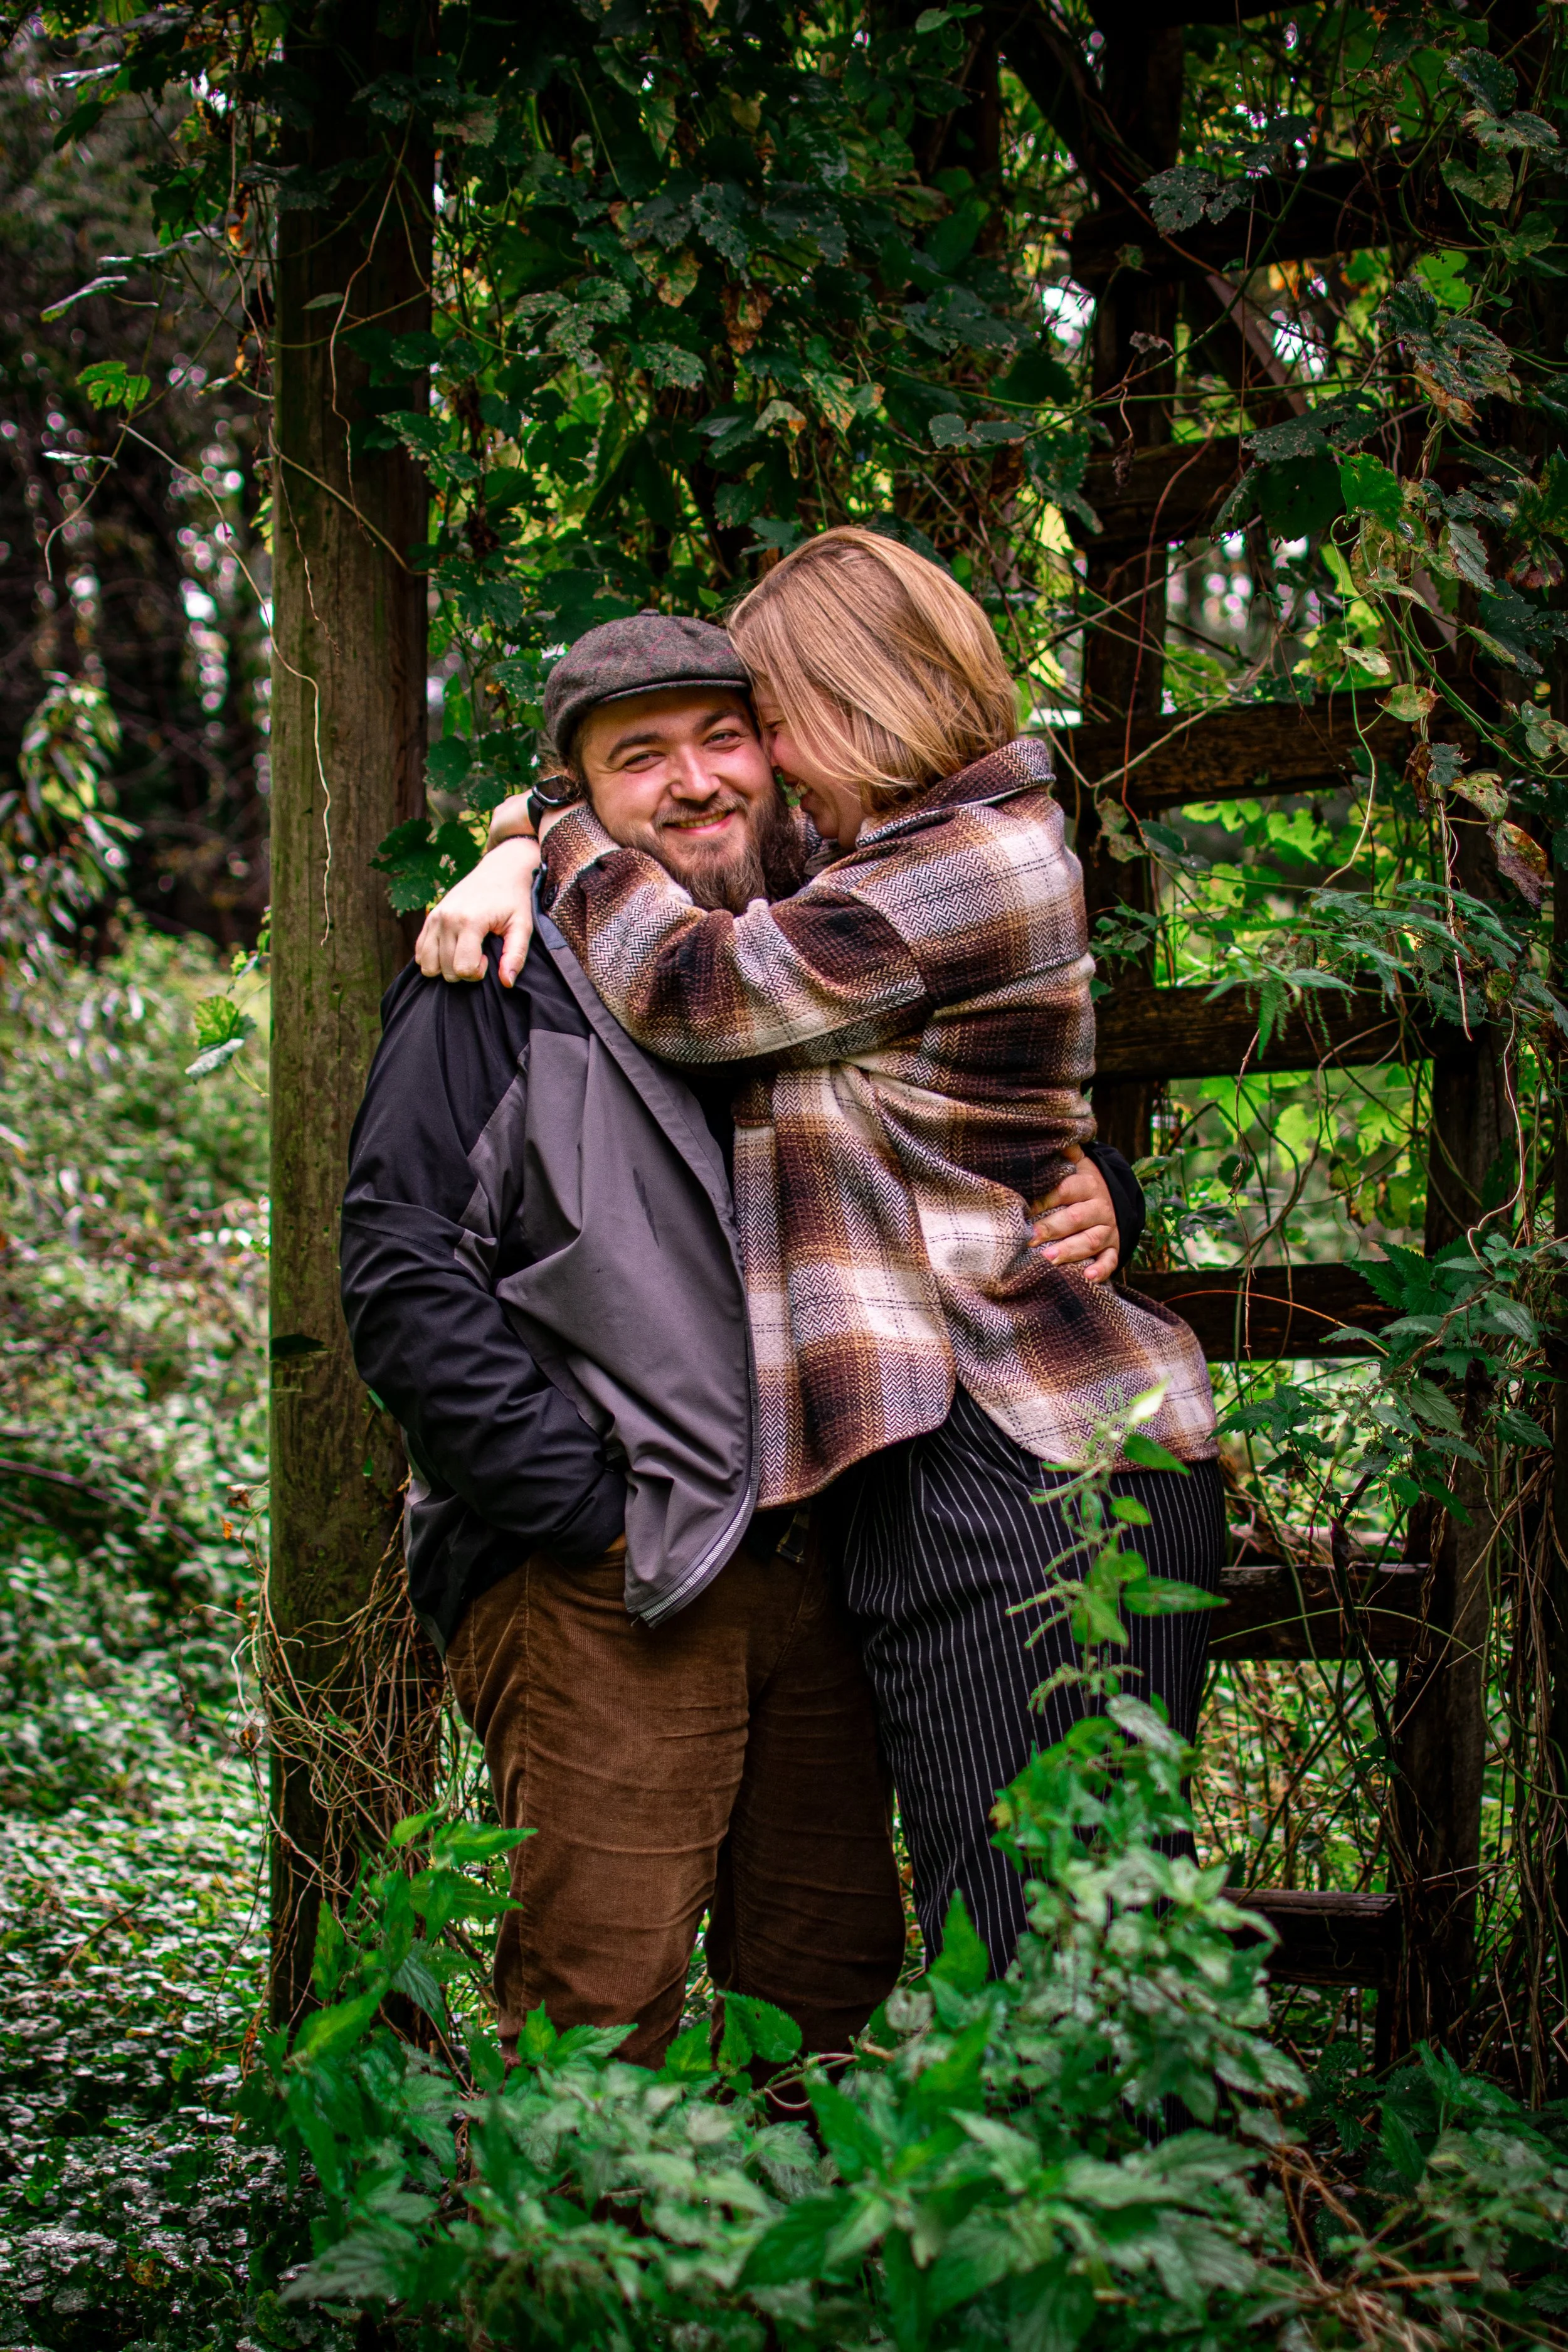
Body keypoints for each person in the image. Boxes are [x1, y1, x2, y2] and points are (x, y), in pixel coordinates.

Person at [344, 612, 1136, 2067]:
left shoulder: (817, 938)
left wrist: (1100, 1189)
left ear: (780, 754)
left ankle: (785, 2232)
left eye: (723, 737)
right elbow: (401, 1271)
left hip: (826, 1545)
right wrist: (582, 1510)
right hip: (614, 1575)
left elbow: (966, 1121)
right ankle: (565, 2237)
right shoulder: (501, 977)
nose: (696, 780)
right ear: (579, 792)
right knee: (597, 2008)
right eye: (638, 756)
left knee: (823, 1993)